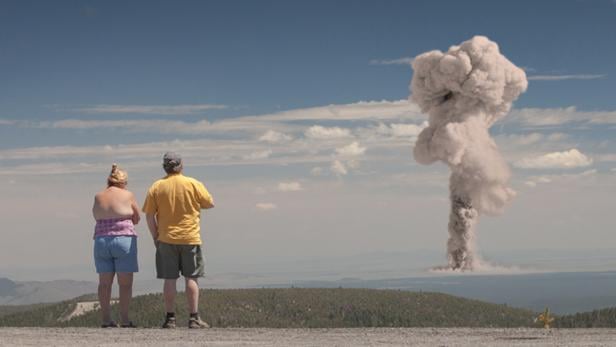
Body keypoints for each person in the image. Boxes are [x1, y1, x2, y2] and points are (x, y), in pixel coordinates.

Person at [142, 152, 214, 329]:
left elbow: (150, 216)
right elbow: (209, 203)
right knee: (192, 278)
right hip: (190, 238)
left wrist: (155, 237)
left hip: (166, 238)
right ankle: (194, 317)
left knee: (169, 279)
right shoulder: (193, 183)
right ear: (181, 166)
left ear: (165, 167)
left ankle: (170, 318)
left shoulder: (157, 186)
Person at [92, 164, 140, 328]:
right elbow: (137, 217)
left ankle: (106, 319)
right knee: (125, 283)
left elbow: (96, 215)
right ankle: (125, 320)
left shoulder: (98, 196)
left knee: (104, 283)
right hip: (124, 239)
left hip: (101, 240)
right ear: (123, 182)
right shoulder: (128, 195)